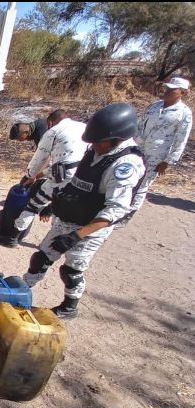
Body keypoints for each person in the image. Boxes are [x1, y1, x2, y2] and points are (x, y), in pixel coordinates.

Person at [22, 103, 146, 319]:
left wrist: (76, 236)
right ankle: (21, 292)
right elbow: (78, 177)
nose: (93, 146)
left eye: (98, 142)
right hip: (69, 217)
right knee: (41, 258)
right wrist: (54, 202)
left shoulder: (125, 165)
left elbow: (115, 210)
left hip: (91, 226)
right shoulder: (97, 149)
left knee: (71, 270)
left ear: (117, 137)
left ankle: (69, 307)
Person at [1, 110, 90, 247]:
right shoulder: (84, 127)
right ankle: (54, 238)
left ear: (50, 122)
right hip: (83, 177)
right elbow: (67, 163)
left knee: (33, 205)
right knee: (64, 211)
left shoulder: (53, 131)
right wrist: (38, 176)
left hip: (62, 176)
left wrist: (28, 177)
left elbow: (39, 160)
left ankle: (12, 239)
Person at [128, 76, 193, 217]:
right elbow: (140, 124)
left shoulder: (184, 113)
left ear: (181, 92)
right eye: (167, 88)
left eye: (172, 89)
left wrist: (168, 161)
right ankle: (122, 207)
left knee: (143, 184)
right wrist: (132, 142)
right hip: (138, 149)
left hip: (157, 154)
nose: (167, 91)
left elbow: (181, 139)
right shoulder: (154, 106)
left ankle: (130, 212)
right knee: (130, 178)